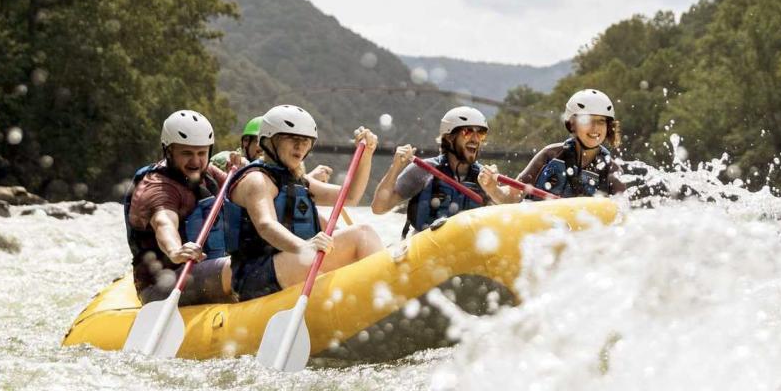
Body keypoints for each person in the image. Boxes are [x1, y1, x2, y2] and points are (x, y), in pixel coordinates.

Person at [227, 105, 383, 301]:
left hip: (291, 264)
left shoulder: (299, 181)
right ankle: (386, 299)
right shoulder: (257, 180)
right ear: (269, 141)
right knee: (363, 235)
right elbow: (266, 225)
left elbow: (350, 197)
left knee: (361, 239)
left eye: (305, 141)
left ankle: (374, 295)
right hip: (256, 276)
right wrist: (304, 248)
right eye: (292, 139)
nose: (300, 146)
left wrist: (367, 154)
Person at [125, 109, 236, 305]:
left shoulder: (207, 172)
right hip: (164, 285)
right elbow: (163, 223)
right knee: (241, 270)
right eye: (186, 153)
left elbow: (238, 191)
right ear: (169, 151)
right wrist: (175, 251)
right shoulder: (156, 187)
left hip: (201, 270)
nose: (195, 161)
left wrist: (248, 172)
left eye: (202, 153)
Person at [371, 106, 523, 236]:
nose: (476, 139)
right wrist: (395, 167)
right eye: (468, 132)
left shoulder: (484, 177)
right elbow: (379, 208)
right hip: (424, 251)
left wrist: (492, 189)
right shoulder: (422, 170)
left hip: (467, 255)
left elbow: (509, 205)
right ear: (449, 137)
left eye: (481, 134)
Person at [517, 88, 627, 197]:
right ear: (572, 124)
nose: (595, 128)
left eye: (601, 121)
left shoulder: (612, 170)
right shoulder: (550, 155)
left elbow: (621, 210)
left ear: (608, 127)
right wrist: (498, 190)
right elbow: (511, 196)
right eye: (587, 120)